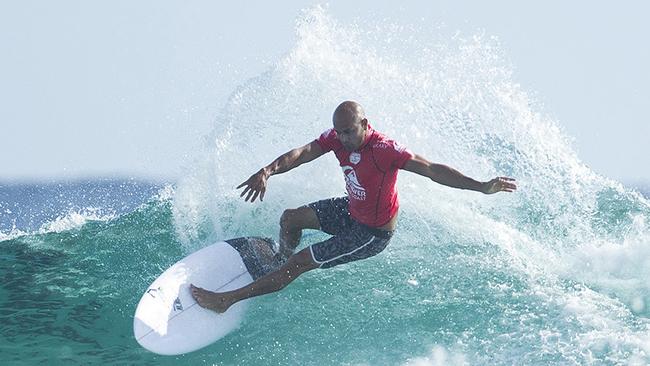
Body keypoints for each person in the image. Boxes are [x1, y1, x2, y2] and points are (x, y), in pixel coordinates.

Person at [191, 101, 517, 313]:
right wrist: (267, 170)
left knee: (301, 263)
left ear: (365, 123)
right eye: (340, 132)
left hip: (372, 233)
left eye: (349, 132)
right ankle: (278, 257)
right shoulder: (336, 136)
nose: (343, 138)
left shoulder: (385, 150)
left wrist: (481, 187)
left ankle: (227, 300)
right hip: (351, 208)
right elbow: (303, 152)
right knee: (290, 219)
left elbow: (431, 169)